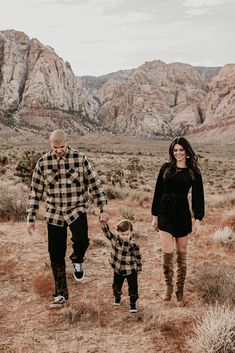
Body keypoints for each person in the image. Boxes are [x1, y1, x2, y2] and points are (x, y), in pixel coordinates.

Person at [26, 129, 108, 308]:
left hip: (76, 209)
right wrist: (30, 217)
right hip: (54, 213)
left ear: (67, 142)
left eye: (61, 147)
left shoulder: (80, 159)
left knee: (82, 241)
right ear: (50, 144)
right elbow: (35, 192)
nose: (58, 150)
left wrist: (103, 208)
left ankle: (77, 260)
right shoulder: (43, 163)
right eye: (55, 147)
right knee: (55, 254)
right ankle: (61, 294)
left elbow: (95, 184)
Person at [151, 137, 204, 306]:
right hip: (165, 212)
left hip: (182, 214)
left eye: (181, 150)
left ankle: (179, 290)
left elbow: (198, 197)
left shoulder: (193, 172)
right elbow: (158, 191)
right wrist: (154, 216)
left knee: (181, 253)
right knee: (167, 251)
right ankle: (168, 286)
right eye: (175, 150)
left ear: (187, 152)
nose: (178, 153)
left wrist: (198, 219)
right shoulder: (166, 168)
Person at [100, 219, 142, 313]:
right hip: (118, 268)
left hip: (130, 269)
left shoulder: (134, 244)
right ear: (117, 232)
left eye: (127, 234)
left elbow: (138, 256)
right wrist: (104, 224)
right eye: (123, 234)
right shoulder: (114, 239)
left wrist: (138, 268)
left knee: (133, 287)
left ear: (131, 232)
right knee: (116, 285)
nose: (125, 236)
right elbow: (107, 233)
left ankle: (133, 304)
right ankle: (117, 297)